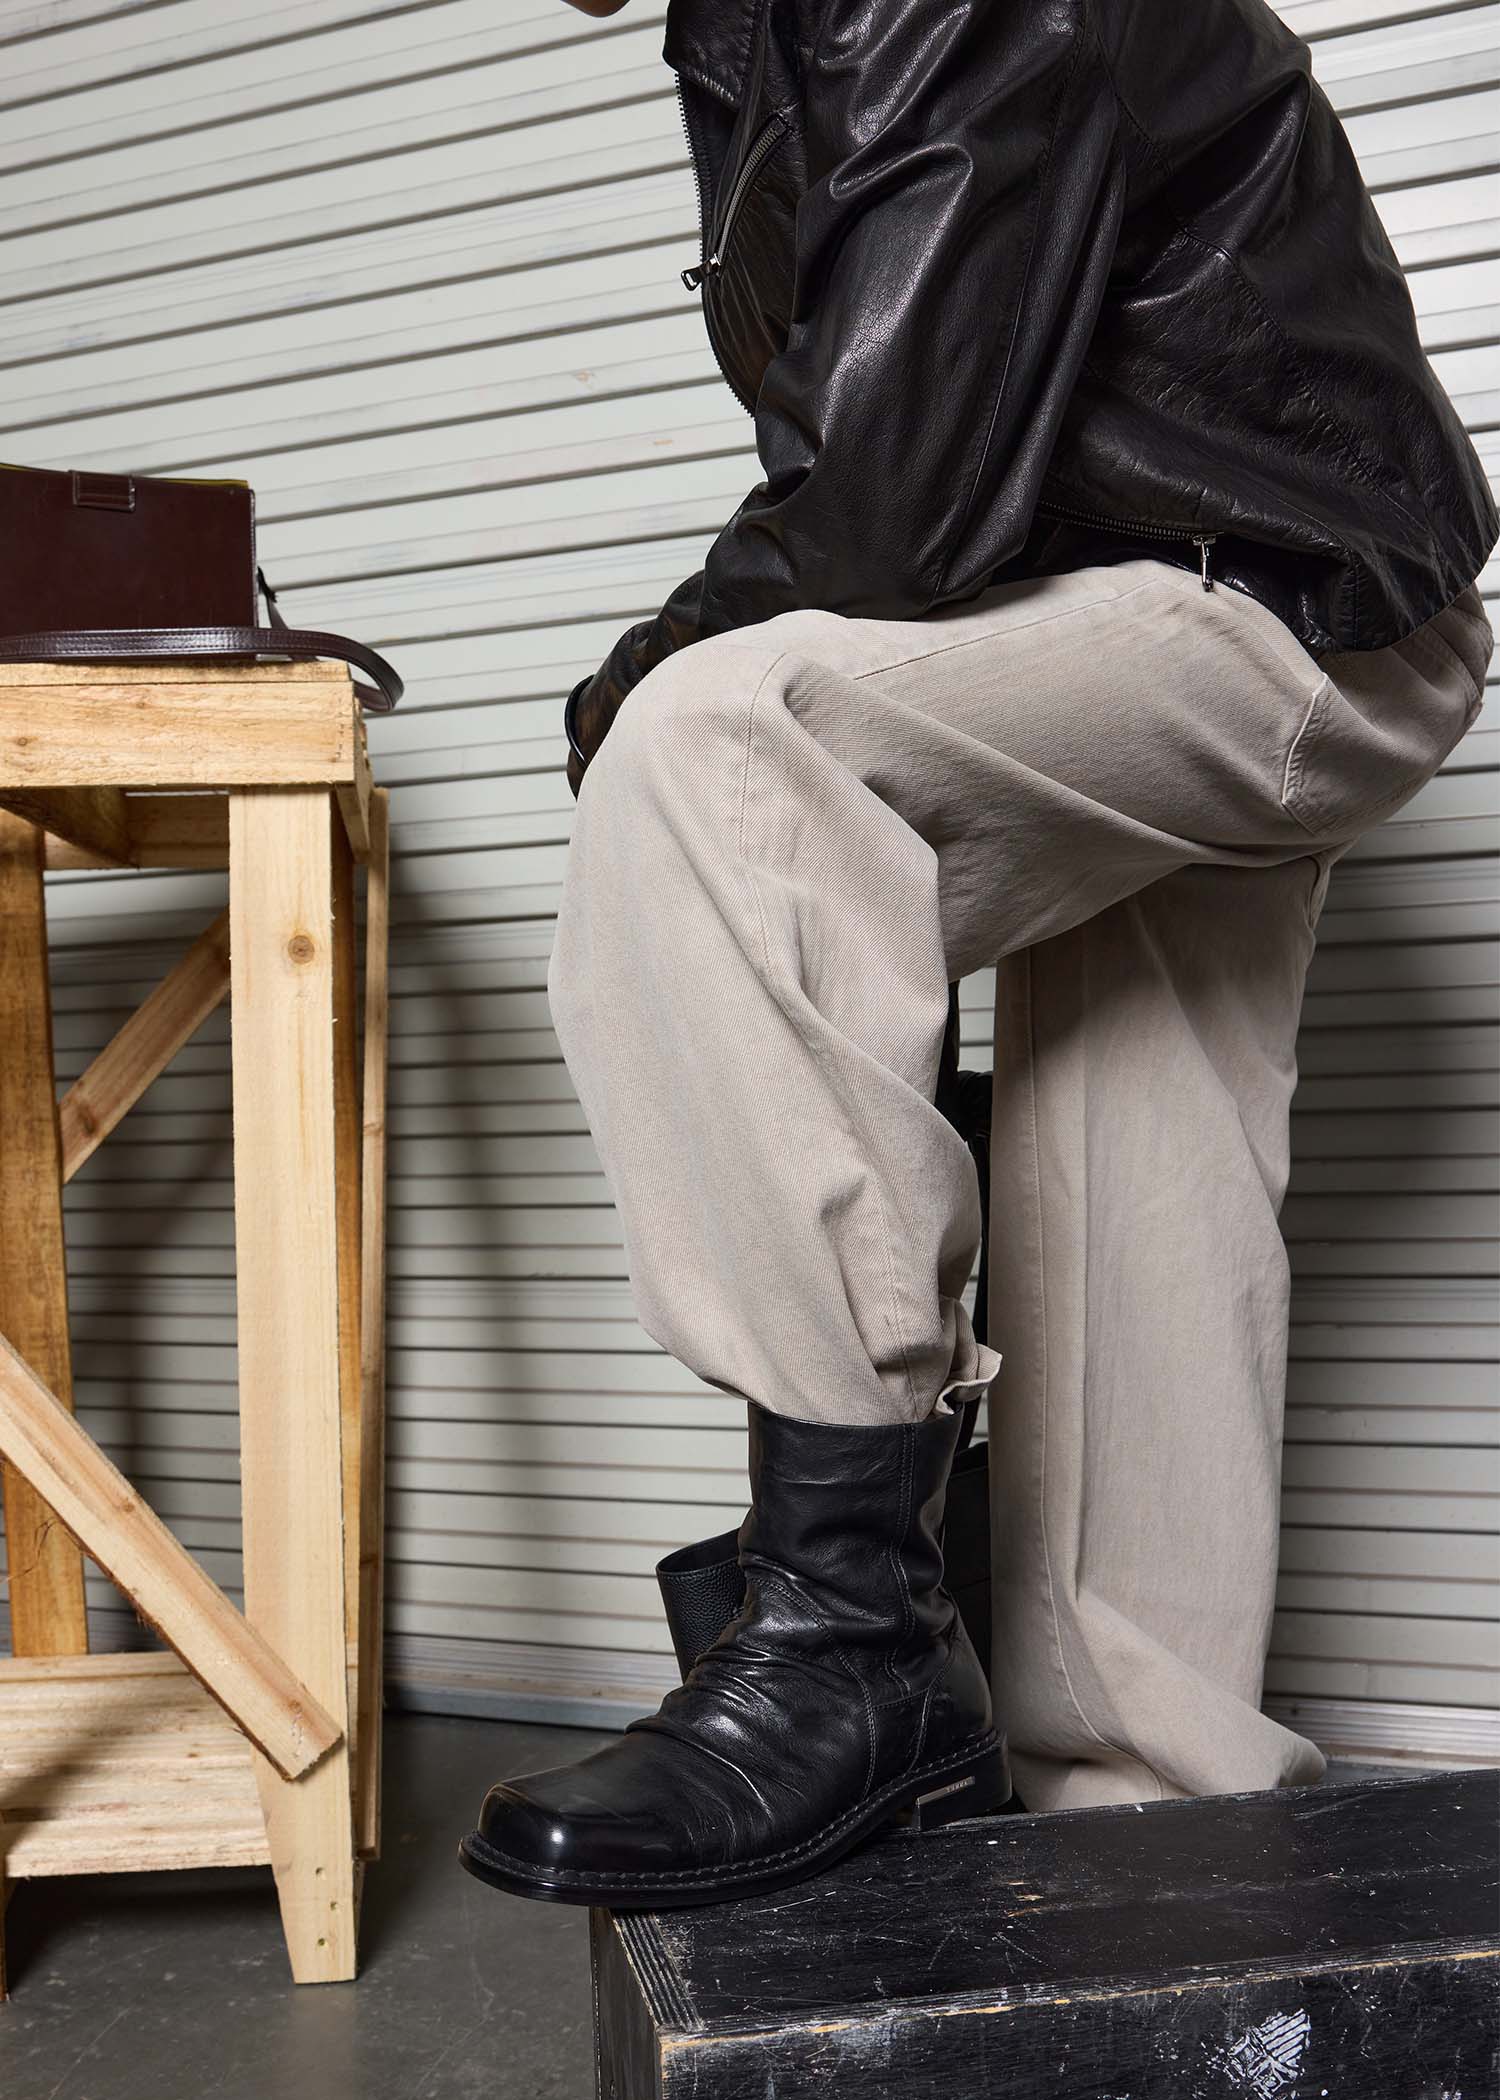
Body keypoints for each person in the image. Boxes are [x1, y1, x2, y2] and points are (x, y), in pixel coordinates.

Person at [459, 0, 1496, 1910]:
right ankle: (1160, 1818)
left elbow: (887, 494)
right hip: (1195, 568)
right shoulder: (753, 23)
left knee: (716, 750)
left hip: (1272, 598)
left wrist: (634, 676)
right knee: (1141, 1147)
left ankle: (852, 1639)